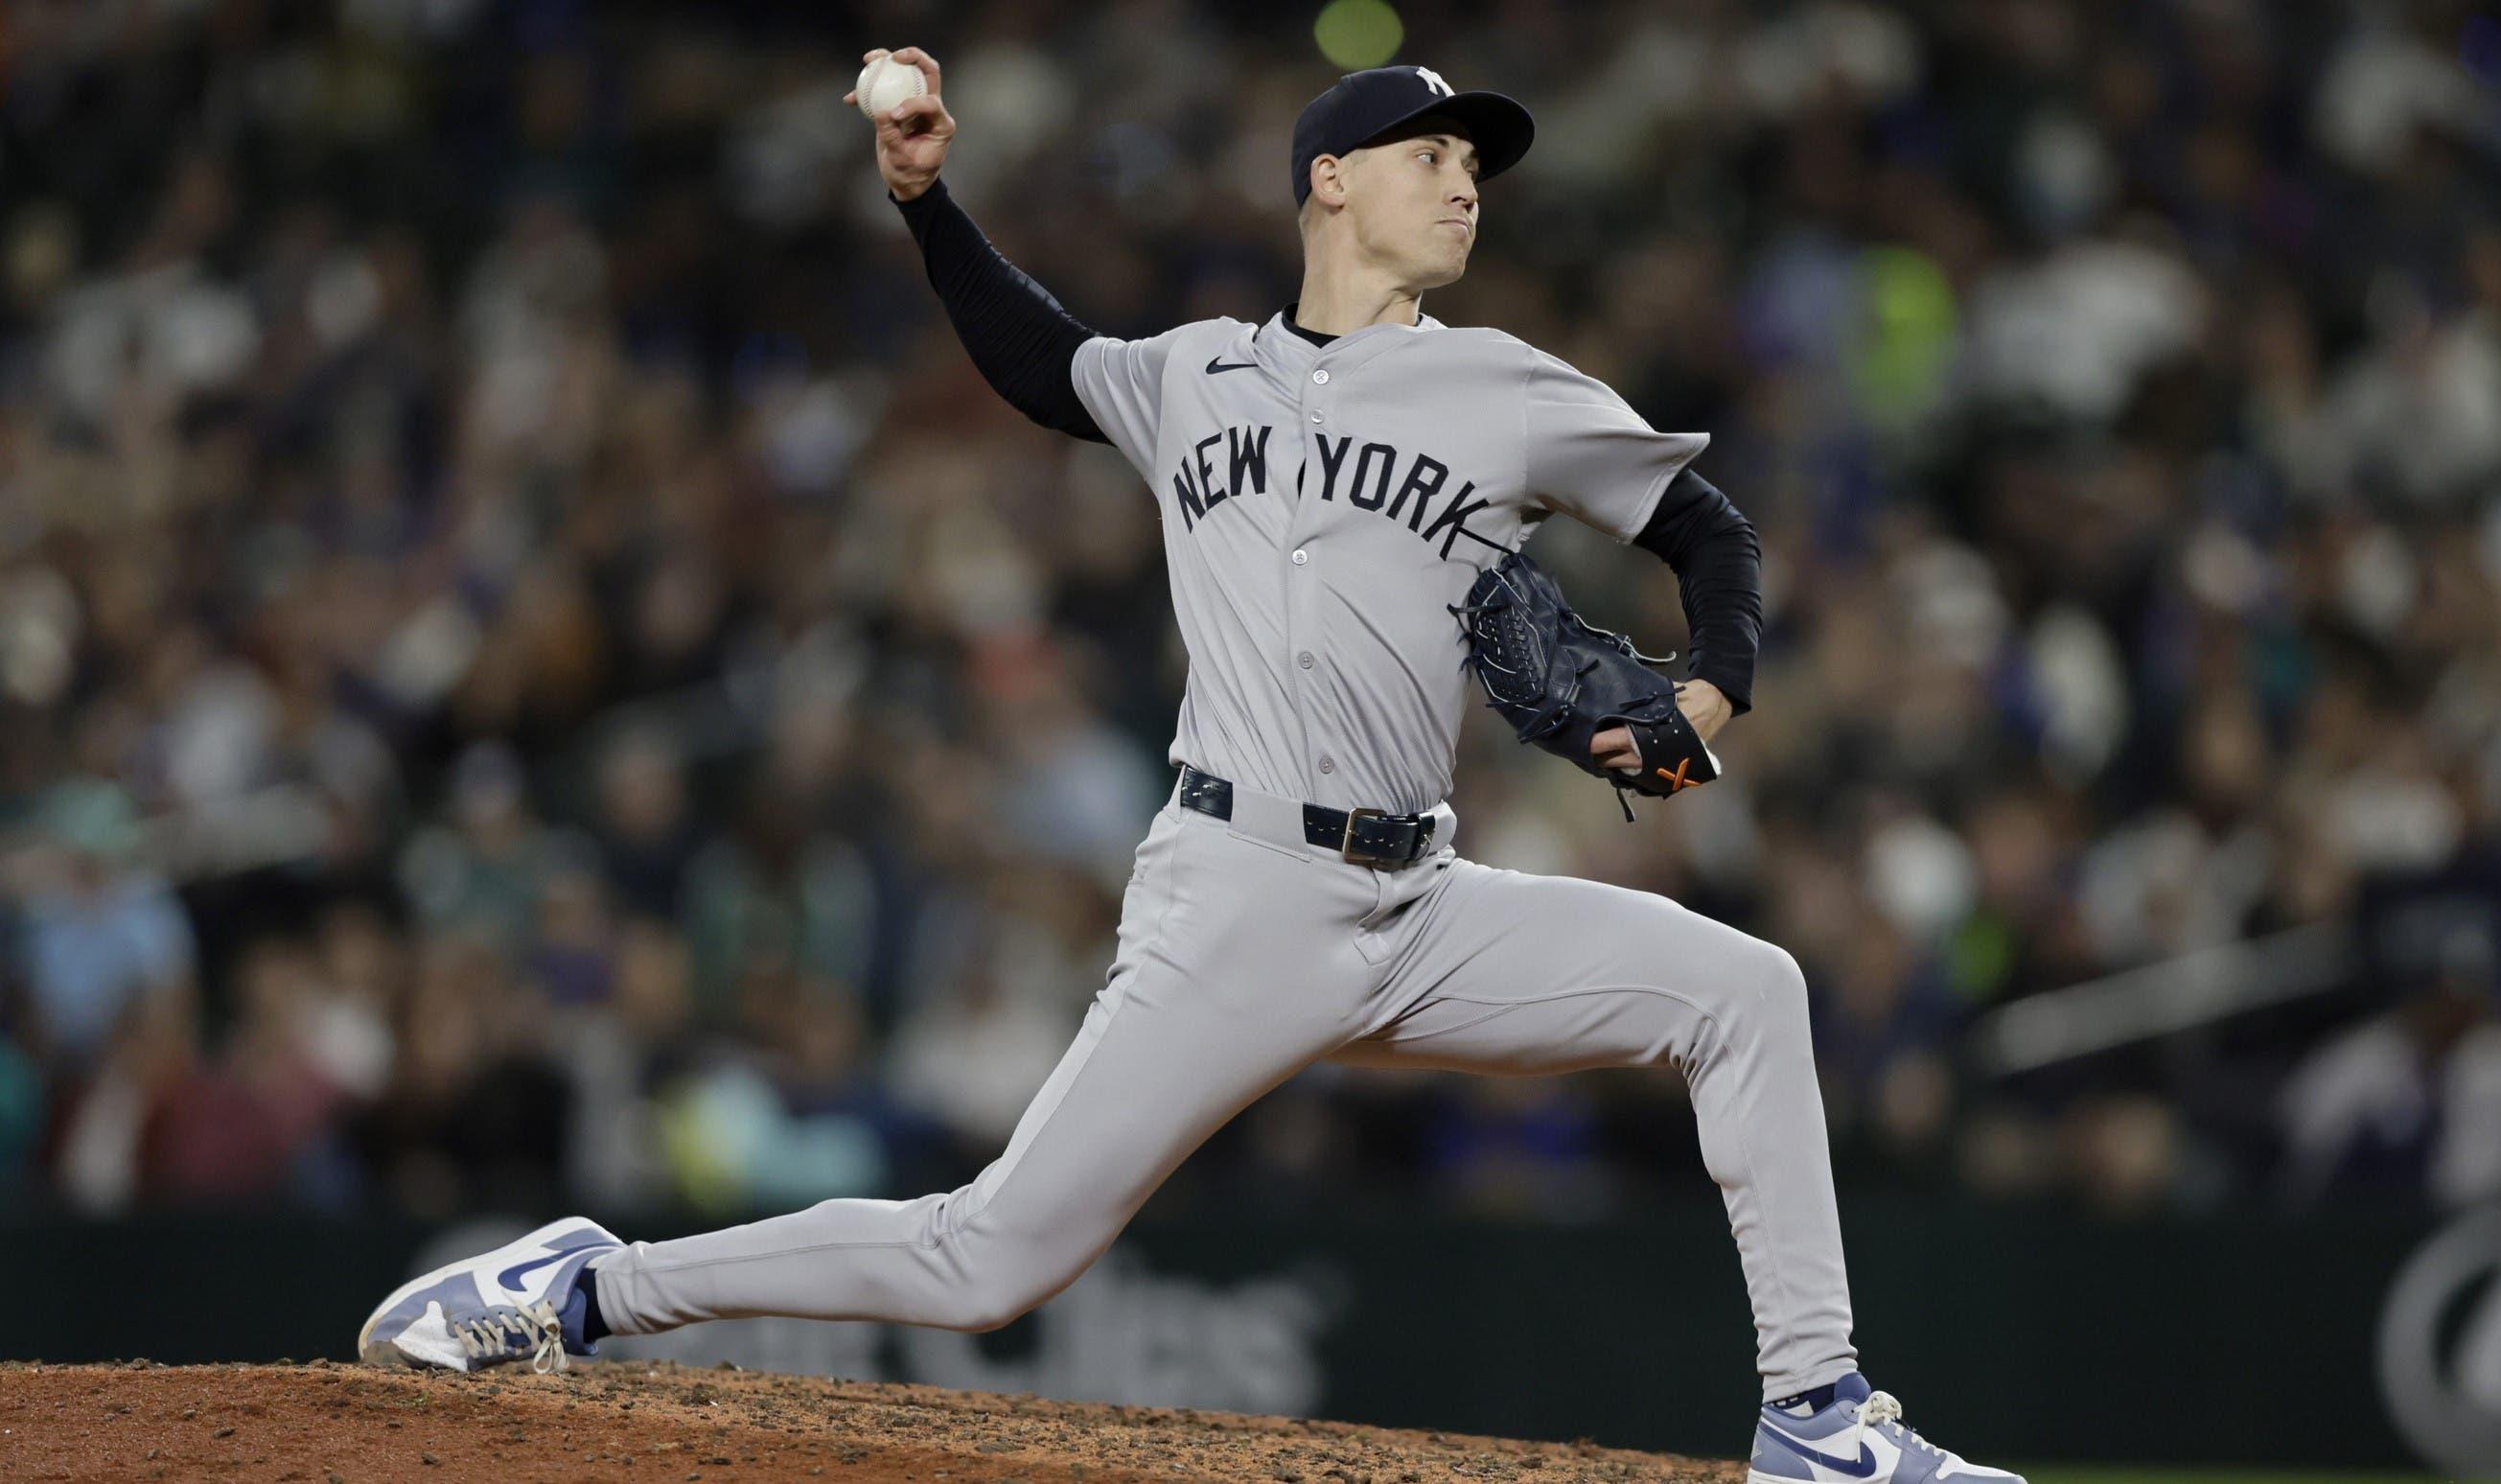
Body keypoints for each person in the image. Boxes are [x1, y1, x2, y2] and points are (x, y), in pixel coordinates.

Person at [359, 50, 2018, 1484]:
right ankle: (590, 1285)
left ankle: (1817, 1420)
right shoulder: (1192, 372)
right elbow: (1036, 356)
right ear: (1331, 180)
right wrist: (926, 203)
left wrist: (1710, 700)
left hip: (1422, 904)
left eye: (1476, 167)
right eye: (1434, 157)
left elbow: (1709, 531)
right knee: (988, 1260)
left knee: (1750, 991)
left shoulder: (1507, 388)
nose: (1467, 189)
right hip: (1237, 898)